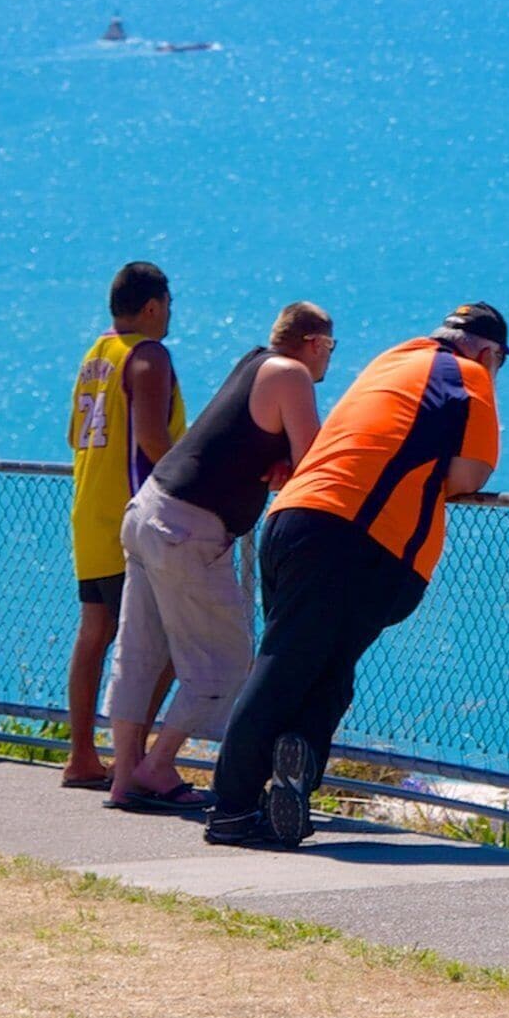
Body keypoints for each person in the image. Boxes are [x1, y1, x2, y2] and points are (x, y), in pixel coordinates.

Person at [207, 303, 509, 850]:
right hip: (355, 538)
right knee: (282, 669)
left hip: (291, 520)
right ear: (488, 353)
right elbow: (468, 474)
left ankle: (291, 783)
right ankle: (230, 808)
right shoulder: (467, 376)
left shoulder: (390, 361)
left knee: (325, 671)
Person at [106, 302, 334, 814]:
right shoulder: (292, 373)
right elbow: (313, 461)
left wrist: (279, 464)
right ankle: (159, 765)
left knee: (139, 650)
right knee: (227, 662)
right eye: (331, 350)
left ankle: (125, 779)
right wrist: (289, 469)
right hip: (189, 528)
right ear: (315, 343)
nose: (328, 362)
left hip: (149, 509)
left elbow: (255, 442)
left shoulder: (254, 361)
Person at [61, 261, 181, 791]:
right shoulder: (146, 355)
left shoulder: (95, 355)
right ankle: (132, 755)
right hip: (133, 514)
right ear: (153, 306)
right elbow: (154, 440)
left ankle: (82, 754)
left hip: (90, 509)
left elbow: (74, 436)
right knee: (171, 643)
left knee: (95, 633)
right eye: (169, 305)